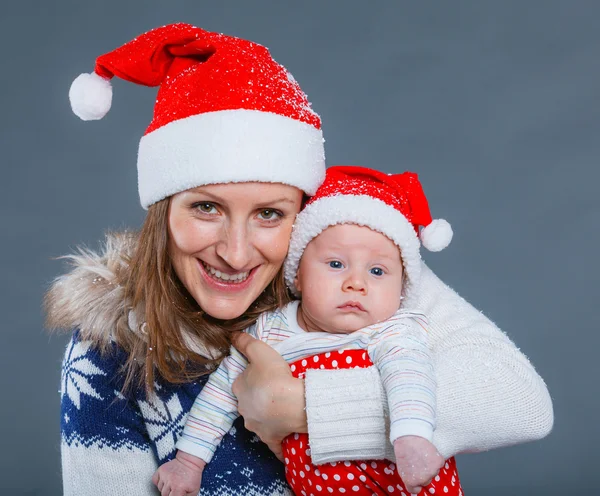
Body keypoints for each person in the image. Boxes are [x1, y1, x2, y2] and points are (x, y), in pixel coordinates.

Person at [45, 22, 553, 496]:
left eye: (269, 213)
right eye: (206, 207)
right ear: (162, 212)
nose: (236, 253)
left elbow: (522, 402)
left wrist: (304, 408)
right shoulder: (108, 354)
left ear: (303, 216)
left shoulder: (342, 272)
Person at [154, 165, 461, 496]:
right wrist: (188, 463)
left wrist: (411, 437)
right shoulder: (270, 330)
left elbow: (410, 378)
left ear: (402, 288)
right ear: (297, 275)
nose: (356, 283)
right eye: (335, 264)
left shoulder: (391, 331)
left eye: (377, 271)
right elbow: (221, 393)